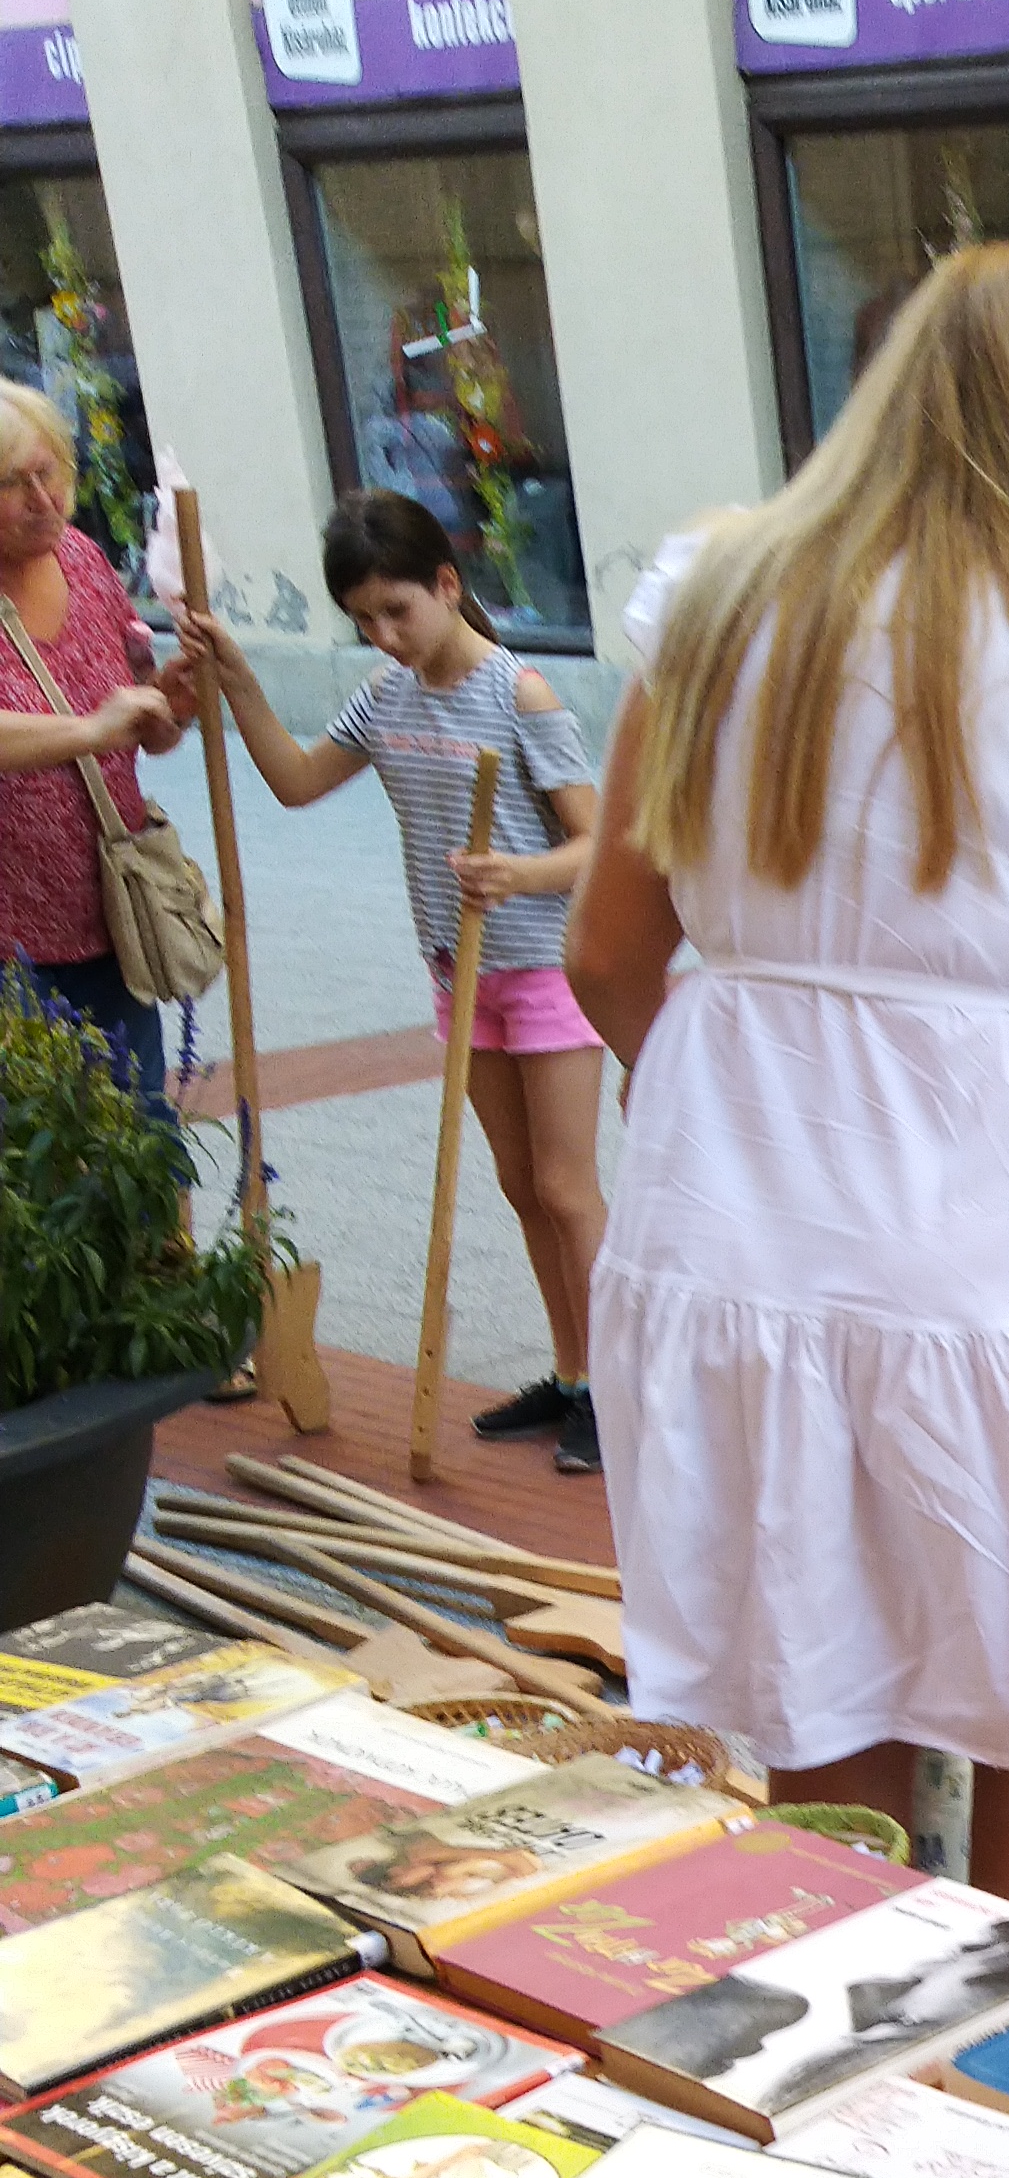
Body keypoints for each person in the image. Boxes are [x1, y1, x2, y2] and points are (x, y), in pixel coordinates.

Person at [563, 242, 1009, 1943]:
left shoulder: (719, 601)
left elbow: (606, 951)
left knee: (824, 1704)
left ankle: (853, 2064)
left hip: (737, 1243)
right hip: (1006, 1237)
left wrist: (730, 1121)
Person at [183, 491, 607, 1474]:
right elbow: (295, 781)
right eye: (363, 619)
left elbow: (596, 845)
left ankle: (620, 1386)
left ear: (447, 585)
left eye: (396, 610)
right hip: (458, 971)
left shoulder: (521, 694)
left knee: (566, 1187)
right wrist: (238, 681)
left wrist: (516, 873)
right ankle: (571, 1372)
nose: (382, 635)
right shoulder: (386, 697)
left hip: (543, 969)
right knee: (519, 1186)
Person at [0, 377, 197, 1107]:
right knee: (37, 1157)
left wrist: (171, 707)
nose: (43, 499)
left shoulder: (84, 560)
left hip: (112, 920)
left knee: (143, 1139)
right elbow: (96, 725)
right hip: (10, 946)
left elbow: (143, 728)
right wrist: (88, 729)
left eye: (48, 471)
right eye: (12, 484)